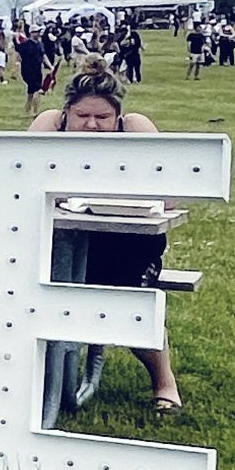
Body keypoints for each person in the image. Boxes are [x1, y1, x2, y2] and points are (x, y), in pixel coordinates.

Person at [29, 57, 182, 413]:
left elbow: (170, 195)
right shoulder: (50, 124)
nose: (92, 125)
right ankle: (37, 381)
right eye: (83, 116)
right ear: (67, 113)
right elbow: (21, 181)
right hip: (56, 242)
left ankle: (165, 383)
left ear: (117, 118)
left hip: (125, 245)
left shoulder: (135, 128)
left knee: (129, 301)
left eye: (102, 118)